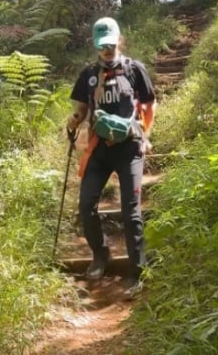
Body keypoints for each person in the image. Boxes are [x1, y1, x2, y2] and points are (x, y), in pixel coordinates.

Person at [66, 17, 156, 297]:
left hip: (129, 146)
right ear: (96, 45)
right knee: (86, 204)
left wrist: (146, 135)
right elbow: (82, 108)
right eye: (101, 45)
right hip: (99, 147)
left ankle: (137, 270)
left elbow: (150, 106)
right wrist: (74, 120)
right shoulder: (89, 74)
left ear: (119, 39)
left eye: (110, 43)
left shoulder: (134, 70)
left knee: (131, 211)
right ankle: (100, 255)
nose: (107, 49)